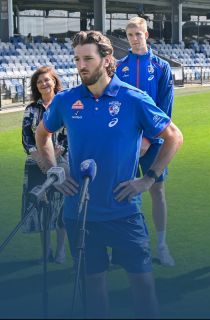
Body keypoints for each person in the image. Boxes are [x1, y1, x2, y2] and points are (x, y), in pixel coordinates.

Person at [35, 31, 183, 318]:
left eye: (88, 58)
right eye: (77, 59)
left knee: (143, 289)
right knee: (93, 289)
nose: (81, 65)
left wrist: (149, 178)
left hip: (124, 212)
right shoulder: (66, 101)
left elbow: (174, 136)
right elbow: (43, 135)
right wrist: (55, 169)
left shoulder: (132, 98)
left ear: (106, 60)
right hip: (80, 213)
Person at [116, 16, 175, 266]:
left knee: (157, 190)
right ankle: (124, 248)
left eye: (138, 34)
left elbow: (165, 107)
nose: (134, 39)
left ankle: (161, 247)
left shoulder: (161, 66)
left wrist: (149, 138)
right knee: (122, 191)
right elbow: (115, 106)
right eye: (130, 35)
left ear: (146, 35)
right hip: (125, 143)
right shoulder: (119, 67)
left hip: (154, 143)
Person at [21, 65, 67, 264]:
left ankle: (61, 251)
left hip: (61, 162)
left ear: (54, 81)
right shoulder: (31, 109)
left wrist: (55, 156)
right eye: (39, 82)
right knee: (42, 208)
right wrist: (39, 157)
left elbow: (69, 136)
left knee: (60, 207)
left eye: (47, 80)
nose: (44, 84)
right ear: (36, 87)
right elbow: (26, 138)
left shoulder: (65, 105)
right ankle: (45, 251)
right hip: (35, 164)